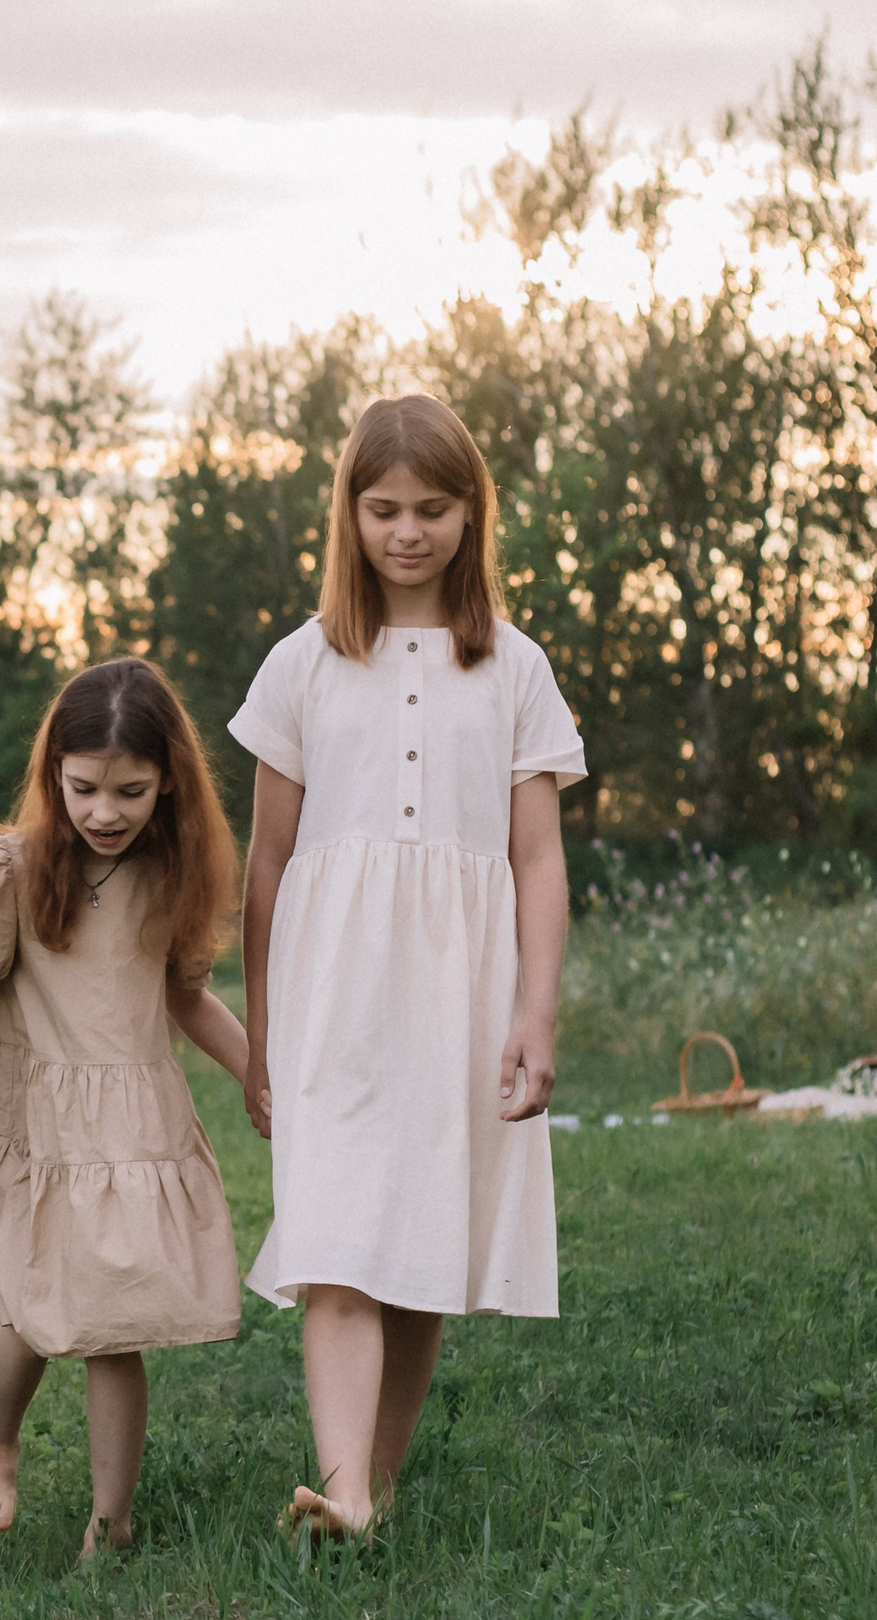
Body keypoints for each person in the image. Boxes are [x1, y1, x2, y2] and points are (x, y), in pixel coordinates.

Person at [231, 393, 583, 1538]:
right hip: (332, 990)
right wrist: (263, 1030)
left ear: (472, 514)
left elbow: (536, 859)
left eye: (432, 508)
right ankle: (341, 1492)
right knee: (334, 1233)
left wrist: (534, 1012)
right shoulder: (301, 664)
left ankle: (365, 1492)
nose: (407, 532)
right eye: (382, 509)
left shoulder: (515, 669)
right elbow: (266, 866)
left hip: (461, 989)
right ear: (348, 513)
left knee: (426, 1233)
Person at [0, 658, 249, 1556]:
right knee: (27, 1319)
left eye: (131, 791)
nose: (105, 811)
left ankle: (112, 1520)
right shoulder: (11, 868)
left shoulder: (176, 870)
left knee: (114, 1328)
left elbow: (186, 997)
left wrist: (259, 1072)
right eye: (85, 788)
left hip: (135, 1127)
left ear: (166, 780)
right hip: (37, 1120)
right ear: (53, 775)